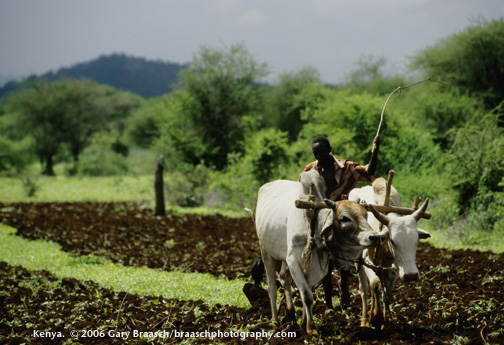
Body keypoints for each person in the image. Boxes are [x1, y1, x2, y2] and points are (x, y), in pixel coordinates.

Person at [303, 135, 380, 311]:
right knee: (326, 262)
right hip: (323, 219)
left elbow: (368, 173)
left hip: (345, 217)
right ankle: (329, 304)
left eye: (321, 151)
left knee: (344, 259)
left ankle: (344, 285)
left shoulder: (347, 167)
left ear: (329, 150)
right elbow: (303, 193)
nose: (318, 156)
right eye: (315, 153)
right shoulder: (310, 171)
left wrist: (374, 152)